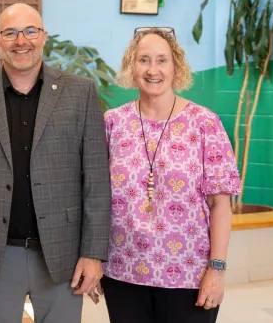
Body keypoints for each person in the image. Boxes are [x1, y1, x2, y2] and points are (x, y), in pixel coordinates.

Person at [0, 2, 111, 323]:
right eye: (10, 33)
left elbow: (96, 182)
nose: (21, 41)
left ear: (43, 36)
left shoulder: (80, 92)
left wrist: (93, 253)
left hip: (62, 254)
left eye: (30, 31)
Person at [89, 27, 241, 323]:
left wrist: (217, 269)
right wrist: (92, 259)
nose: (153, 70)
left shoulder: (205, 124)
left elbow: (220, 206)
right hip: (123, 275)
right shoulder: (112, 123)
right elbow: (94, 198)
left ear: (176, 67)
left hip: (189, 277)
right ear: (132, 66)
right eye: (144, 60)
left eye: (162, 60)